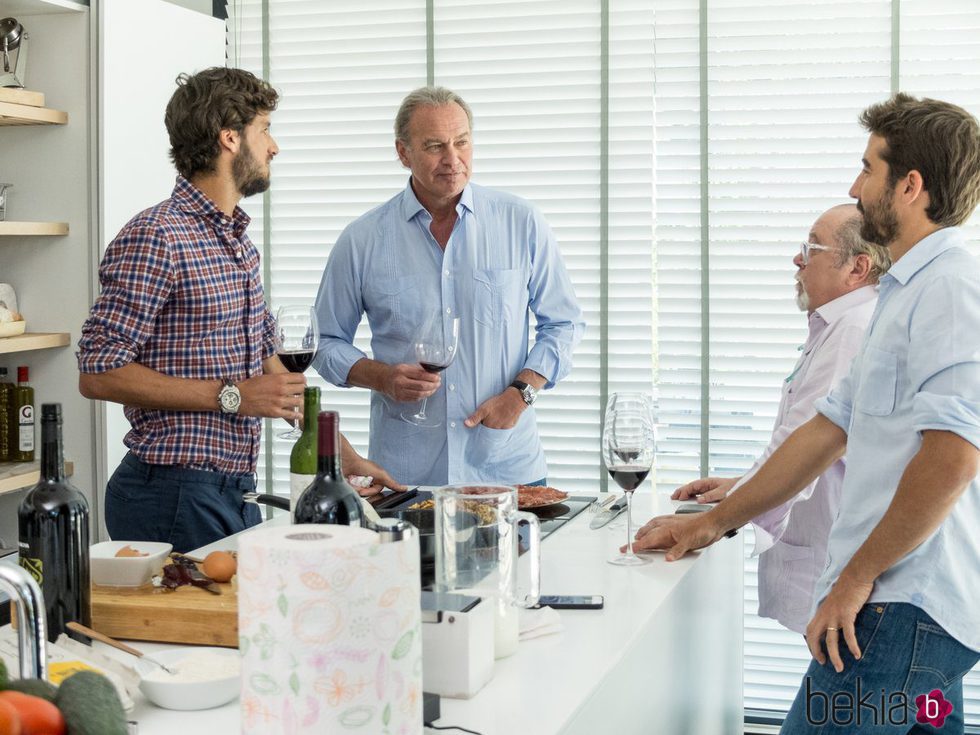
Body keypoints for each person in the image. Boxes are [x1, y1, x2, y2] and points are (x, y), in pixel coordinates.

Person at [634, 94, 980, 734]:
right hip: (913, 615)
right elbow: (828, 430)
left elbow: (954, 456)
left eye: (868, 168)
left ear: (910, 186)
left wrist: (854, 581)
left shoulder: (951, 287)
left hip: (895, 609)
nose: (856, 185)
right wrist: (711, 524)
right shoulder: (901, 291)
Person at [78, 67, 401, 554]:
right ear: (230, 138)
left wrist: (340, 458)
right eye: (265, 129)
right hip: (171, 493)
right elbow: (97, 371)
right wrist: (233, 397)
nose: (274, 146)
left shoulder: (236, 243)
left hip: (229, 489)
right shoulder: (157, 236)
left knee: (249, 627)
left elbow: (270, 367)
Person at [313, 86, 585, 486]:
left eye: (462, 142)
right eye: (435, 146)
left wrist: (520, 395)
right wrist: (383, 377)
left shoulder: (521, 223)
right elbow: (323, 341)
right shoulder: (363, 240)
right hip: (405, 477)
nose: (452, 160)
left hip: (506, 469)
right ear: (403, 153)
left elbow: (564, 324)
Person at [672, 203, 890, 635]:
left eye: (811, 247)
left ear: (857, 268)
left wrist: (711, 523)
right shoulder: (840, 325)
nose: (798, 259)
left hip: (853, 584)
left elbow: (810, 440)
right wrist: (743, 483)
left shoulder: (853, 329)